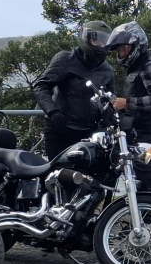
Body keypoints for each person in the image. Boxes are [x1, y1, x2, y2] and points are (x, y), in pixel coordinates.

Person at [33, 21, 116, 160]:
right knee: (56, 174)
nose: (100, 45)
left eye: (104, 41)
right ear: (86, 39)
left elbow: (110, 101)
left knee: (88, 178)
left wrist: (106, 122)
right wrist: (53, 112)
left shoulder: (107, 70)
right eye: (96, 40)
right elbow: (41, 86)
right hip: (60, 129)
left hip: (90, 132)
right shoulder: (65, 58)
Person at [106, 20, 151, 193]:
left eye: (124, 47)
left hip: (149, 135)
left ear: (137, 44)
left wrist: (127, 103)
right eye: (119, 49)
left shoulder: (150, 64)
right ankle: (148, 215)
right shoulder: (136, 66)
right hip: (138, 133)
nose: (121, 52)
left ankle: (149, 218)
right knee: (140, 179)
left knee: (146, 183)